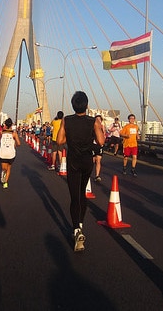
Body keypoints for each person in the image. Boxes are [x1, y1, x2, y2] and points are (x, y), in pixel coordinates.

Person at [56, 91, 105, 252]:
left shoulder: (67, 120)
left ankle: (76, 229)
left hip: (73, 162)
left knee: (74, 196)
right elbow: (101, 141)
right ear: (86, 104)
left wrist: (69, 134)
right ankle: (81, 225)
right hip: (87, 162)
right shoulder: (93, 122)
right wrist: (96, 128)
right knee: (82, 193)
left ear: (73, 105)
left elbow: (59, 141)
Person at [0, 118, 20, 189]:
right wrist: (14, 144)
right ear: (11, 125)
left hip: (2, 153)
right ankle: (5, 182)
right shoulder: (14, 133)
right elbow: (19, 143)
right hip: (11, 154)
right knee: (9, 168)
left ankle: (3, 173)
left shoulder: (1, 132)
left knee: (4, 168)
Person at [92, 115, 106, 182]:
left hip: (99, 145)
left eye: (99, 119)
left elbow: (105, 136)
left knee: (98, 160)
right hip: (93, 144)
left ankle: (97, 175)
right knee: (93, 160)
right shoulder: (92, 127)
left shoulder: (102, 127)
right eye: (96, 119)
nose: (98, 121)